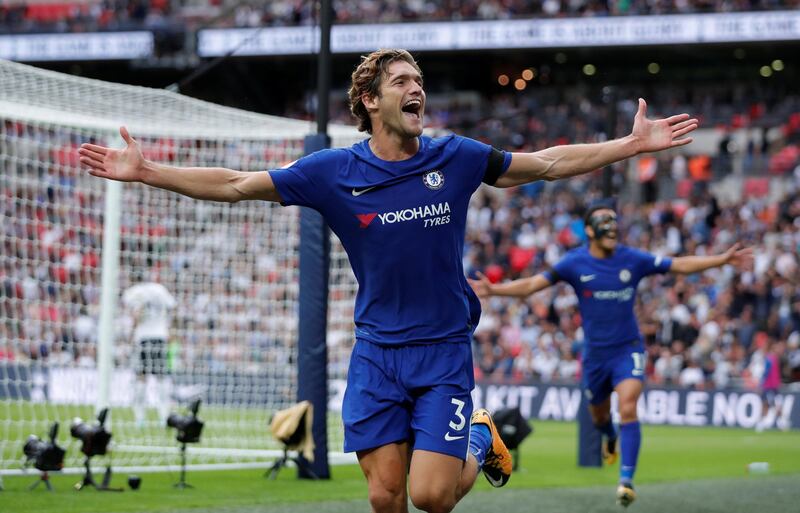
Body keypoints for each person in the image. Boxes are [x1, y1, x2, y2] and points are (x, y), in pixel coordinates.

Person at [78, 49, 698, 513]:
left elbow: (548, 163)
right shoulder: (332, 172)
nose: (416, 90)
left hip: (442, 352)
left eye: (419, 82)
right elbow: (238, 184)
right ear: (370, 101)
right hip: (376, 354)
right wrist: (148, 171)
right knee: (384, 499)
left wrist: (630, 146)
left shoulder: (454, 157)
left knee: (431, 498)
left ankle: (480, 439)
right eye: (401, 81)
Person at [468, 199, 751, 508]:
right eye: (604, 219)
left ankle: (626, 480)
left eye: (614, 219)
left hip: (628, 349)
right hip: (594, 357)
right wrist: (495, 290)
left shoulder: (632, 259)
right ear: (589, 230)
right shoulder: (573, 263)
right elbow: (533, 284)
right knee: (600, 416)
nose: (612, 224)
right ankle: (610, 435)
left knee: (628, 406)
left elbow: (678, 264)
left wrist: (720, 260)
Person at [122, 274, 177, 427]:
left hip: (143, 338)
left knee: (141, 377)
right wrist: (170, 329)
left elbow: (136, 315)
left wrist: (131, 333)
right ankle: (164, 416)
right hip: (160, 337)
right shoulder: (160, 290)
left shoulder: (135, 292)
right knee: (161, 377)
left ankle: (140, 418)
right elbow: (173, 308)